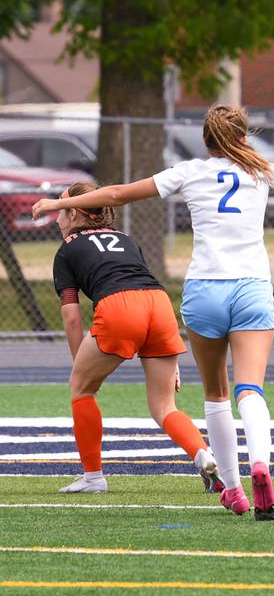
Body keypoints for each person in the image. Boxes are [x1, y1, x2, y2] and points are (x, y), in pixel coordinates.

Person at [33, 105, 274, 520]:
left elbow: (118, 194)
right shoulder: (263, 171)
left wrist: (54, 203)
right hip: (251, 287)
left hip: (204, 290)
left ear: (206, 142)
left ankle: (233, 489)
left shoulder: (190, 171)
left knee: (216, 395)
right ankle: (260, 463)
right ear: (244, 138)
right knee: (251, 388)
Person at [50, 182, 222, 495]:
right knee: (164, 406)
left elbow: (72, 316)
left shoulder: (67, 250)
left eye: (61, 211)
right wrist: (170, 357)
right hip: (159, 305)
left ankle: (93, 477)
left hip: (119, 306)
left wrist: (82, 366)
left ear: (74, 214)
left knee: (80, 389)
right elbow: (140, 284)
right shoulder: (126, 239)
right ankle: (203, 455)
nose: (57, 218)